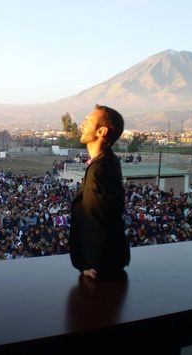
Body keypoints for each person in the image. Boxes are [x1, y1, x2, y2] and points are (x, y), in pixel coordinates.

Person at [69, 104, 130, 279]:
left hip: (101, 269)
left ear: (101, 131)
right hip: (107, 263)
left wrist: (89, 264)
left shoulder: (100, 168)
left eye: (87, 121)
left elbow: (98, 219)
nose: (82, 125)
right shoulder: (107, 161)